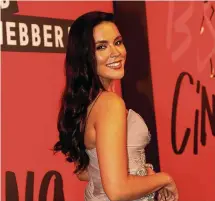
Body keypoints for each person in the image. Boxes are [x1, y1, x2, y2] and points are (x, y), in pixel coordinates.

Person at [54, 11, 179, 201]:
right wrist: (165, 179)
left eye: (118, 42)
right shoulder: (110, 104)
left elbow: (85, 171)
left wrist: (140, 174)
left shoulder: (89, 104)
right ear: (85, 56)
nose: (116, 52)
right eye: (102, 47)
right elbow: (118, 191)